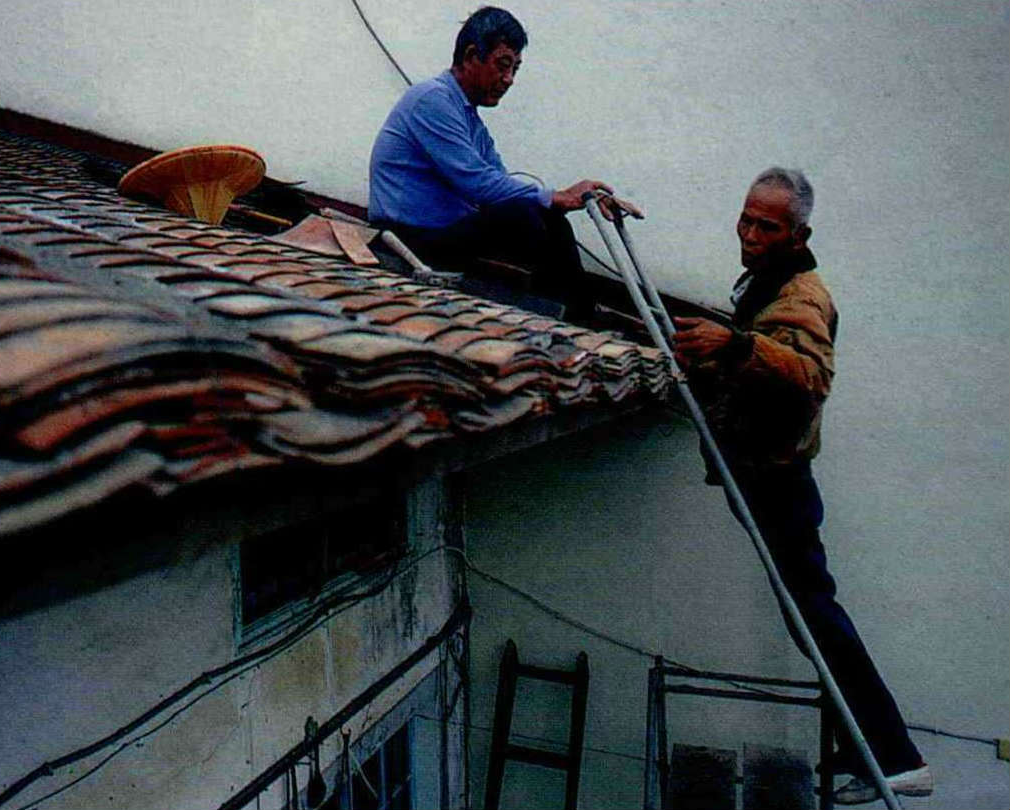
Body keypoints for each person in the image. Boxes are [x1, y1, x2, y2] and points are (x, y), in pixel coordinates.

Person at [673, 168, 932, 804]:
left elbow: (811, 374)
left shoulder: (802, 297)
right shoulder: (769, 282)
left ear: (798, 236)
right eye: (746, 219)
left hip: (780, 483)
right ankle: (871, 747)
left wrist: (734, 347)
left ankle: (896, 758)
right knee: (809, 617)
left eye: (768, 226)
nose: (750, 234)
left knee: (816, 615)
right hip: (767, 476)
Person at [367, 6, 630, 320]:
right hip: (406, 237)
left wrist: (567, 200)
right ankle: (565, 315)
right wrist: (555, 197)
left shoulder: (471, 122)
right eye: (503, 66)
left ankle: (574, 314)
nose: (509, 80)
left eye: (515, 69)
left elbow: (500, 185)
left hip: (441, 234)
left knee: (546, 218)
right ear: (471, 56)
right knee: (523, 217)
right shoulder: (431, 99)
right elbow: (478, 184)